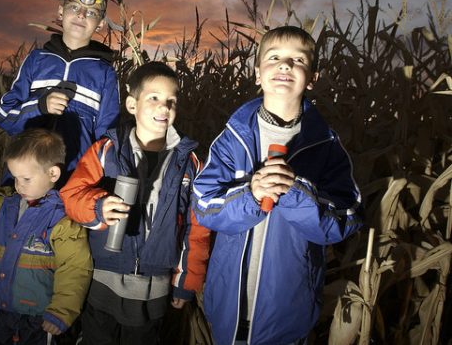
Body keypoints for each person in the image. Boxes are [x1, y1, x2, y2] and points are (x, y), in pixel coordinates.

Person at [191, 26, 363, 345]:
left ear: (312, 77)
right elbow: (204, 207)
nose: (285, 65)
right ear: (257, 73)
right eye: (274, 58)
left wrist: (295, 193)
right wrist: (251, 194)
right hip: (228, 305)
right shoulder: (233, 139)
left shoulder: (325, 147)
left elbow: (346, 220)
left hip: (288, 312)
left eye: (297, 59)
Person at [60, 62, 210, 345]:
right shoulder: (107, 150)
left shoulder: (189, 163)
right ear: (132, 104)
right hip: (103, 277)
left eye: (171, 101)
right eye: (154, 98)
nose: (164, 107)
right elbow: (72, 194)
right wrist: (97, 207)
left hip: (154, 286)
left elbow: (197, 228)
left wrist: (185, 282)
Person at [0, 129, 92, 345]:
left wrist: (61, 312)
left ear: (53, 174)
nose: (18, 185)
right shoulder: (2, 207)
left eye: (26, 178)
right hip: (0, 310)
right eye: (14, 178)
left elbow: (75, 268)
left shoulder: (62, 221)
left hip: (37, 320)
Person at [0, 0, 120, 183]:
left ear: (101, 23)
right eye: (74, 7)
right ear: (60, 12)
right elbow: (4, 117)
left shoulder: (104, 73)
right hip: (22, 181)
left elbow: (107, 139)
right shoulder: (36, 60)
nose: (81, 15)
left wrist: (102, 187)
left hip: (72, 185)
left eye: (91, 12)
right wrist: (40, 106)